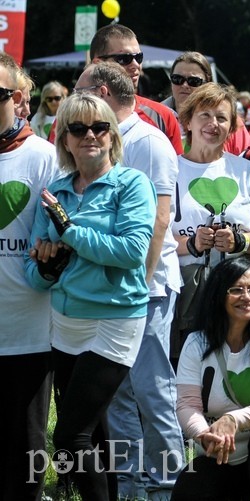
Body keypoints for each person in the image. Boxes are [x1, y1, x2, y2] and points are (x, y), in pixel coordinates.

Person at [25, 93, 156, 500]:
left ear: (113, 136)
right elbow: (34, 273)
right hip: (65, 323)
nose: (90, 136)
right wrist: (49, 266)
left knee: (69, 434)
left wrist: (69, 233)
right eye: (78, 129)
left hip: (115, 320)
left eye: (99, 127)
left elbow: (131, 252)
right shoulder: (55, 192)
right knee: (92, 432)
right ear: (64, 139)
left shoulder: (132, 184)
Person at [74, 61, 186, 498]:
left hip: (147, 289)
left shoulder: (150, 142)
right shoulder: (104, 140)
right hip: (110, 291)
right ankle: (129, 484)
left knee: (152, 389)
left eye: (81, 91)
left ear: (101, 91)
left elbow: (161, 220)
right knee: (116, 391)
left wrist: (135, 286)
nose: (73, 100)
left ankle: (167, 485)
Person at [172, 258, 250, 500]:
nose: (247, 297)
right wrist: (203, 434)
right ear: (218, 295)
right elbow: (187, 404)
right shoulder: (197, 342)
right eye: (237, 290)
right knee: (189, 488)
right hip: (219, 455)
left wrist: (233, 419)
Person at [172, 83, 250, 352]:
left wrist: (239, 241)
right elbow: (154, 236)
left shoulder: (246, 171)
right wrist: (192, 243)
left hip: (239, 287)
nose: (213, 124)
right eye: (205, 115)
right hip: (186, 290)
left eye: (222, 118)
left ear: (232, 127)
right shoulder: (169, 169)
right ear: (188, 121)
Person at [0, 52, 59, 501]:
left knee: (25, 449)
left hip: (29, 332)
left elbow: (61, 238)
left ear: (18, 99)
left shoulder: (45, 157)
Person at [88, 24, 184, 154]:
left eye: (139, 58)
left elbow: (175, 171)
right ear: (98, 63)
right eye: (124, 59)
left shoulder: (163, 116)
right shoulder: (71, 118)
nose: (135, 65)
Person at [161, 51, 250, 155]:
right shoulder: (154, 117)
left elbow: (246, 159)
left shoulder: (228, 121)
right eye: (177, 79)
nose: (185, 85)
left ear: (208, 84)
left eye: (194, 81)